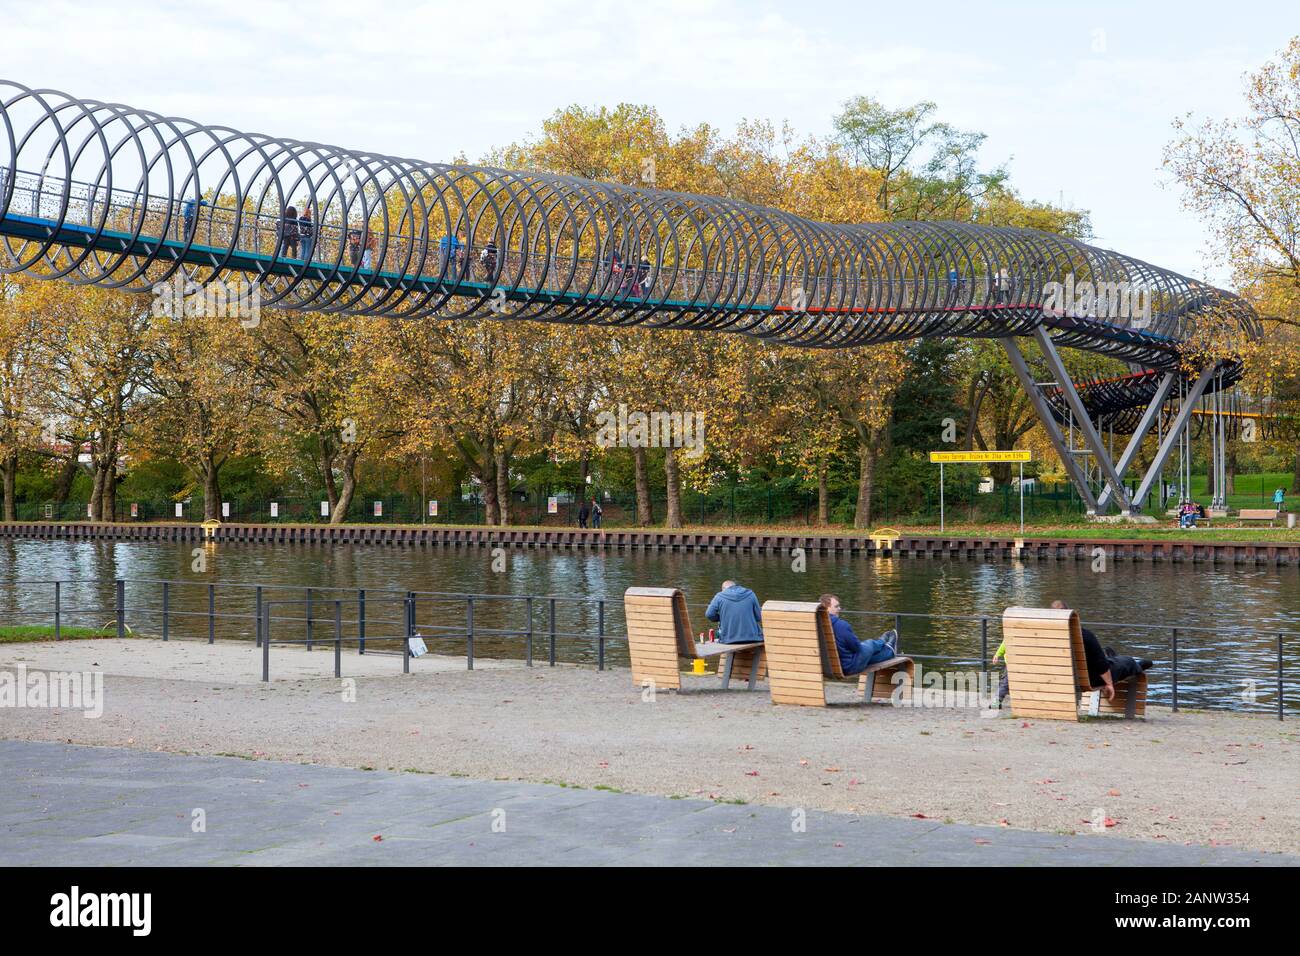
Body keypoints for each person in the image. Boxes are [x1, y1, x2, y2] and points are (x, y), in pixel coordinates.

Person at [1049, 601, 1152, 702]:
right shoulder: (1084, 636)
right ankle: (1138, 665)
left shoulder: (1045, 636)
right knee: (1128, 662)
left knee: (1111, 661)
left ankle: (1113, 658)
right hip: (1092, 679)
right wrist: (1109, 684)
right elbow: (1101, 665)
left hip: (1058, 679)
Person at [818, 594, 897, 675]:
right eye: (836, 606)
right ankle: (882, 642)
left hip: (826, 669)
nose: (839, 608)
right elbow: (857, 648)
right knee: (869, 644)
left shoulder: (815, 624)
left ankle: (889, 651)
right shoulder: (841, 625)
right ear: (826, 608)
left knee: (868, 654)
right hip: (849, 668)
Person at [705, 580, 763, 645]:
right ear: (735, 585)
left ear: (723, 589)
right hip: (753, 638)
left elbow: (709, 614)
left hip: (728, 640)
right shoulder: (750, 594)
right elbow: (759, 617)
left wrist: (720, 618)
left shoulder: (719, 596)